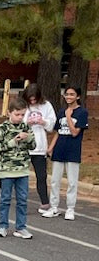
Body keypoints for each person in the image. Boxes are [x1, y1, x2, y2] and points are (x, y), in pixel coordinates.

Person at [0, 98, 35, 237]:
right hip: (6, 169)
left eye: (22, 114)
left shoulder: (26, 127)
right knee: (5, 199)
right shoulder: (3, 127)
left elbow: (33, 146)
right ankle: (3, 226)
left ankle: (21, 227)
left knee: (22, 199)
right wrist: (12, 141)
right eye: (17, 114)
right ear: (9, 112)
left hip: (22, 168)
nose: (20, 117)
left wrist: (27, 138)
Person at [43, 84, 89, 220]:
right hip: (59, 150)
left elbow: (75, 132)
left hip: (72, 151)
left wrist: (69, 117)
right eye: (67, 94)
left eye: (72, 94)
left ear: (78, 96)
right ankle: (54, 207)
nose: (69, 97)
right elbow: (58, 132)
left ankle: (70, 208)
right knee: (55, 181)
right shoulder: (61, 112)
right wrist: (50, 148)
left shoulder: (82, 113)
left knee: (72, 182)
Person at [22, 83, 56, 214]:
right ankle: (21, 200)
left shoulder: (46, 105)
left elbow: (51, 124)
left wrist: (43, 122)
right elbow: (16, 121)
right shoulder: (24, 105)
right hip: (24, 146)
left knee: (41, 176)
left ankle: (44, 202)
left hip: (40, 146)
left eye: (34, 99)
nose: (32, 101)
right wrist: (27, 123)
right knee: (21, 174)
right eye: (30, 99)